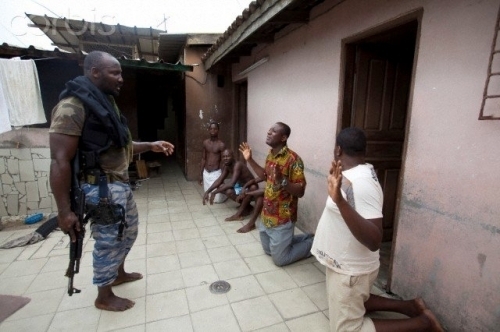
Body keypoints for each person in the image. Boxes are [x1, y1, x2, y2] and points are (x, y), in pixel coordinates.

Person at [49, 51, 175, 312]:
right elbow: (59, 160)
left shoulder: (104, 103)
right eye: (114, 73)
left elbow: (121, 146)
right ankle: (103, 296)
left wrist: (151, 145)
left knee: (128, 232)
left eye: (120, 73)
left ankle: (118, 273)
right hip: (99, 189)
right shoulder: (72, 106)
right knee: (108, 240)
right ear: (94, 71)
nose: (121, 79)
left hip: (118, 185)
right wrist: (64, 211)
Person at [311, 127, 443, 332]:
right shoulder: (349, 176)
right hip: (345, 264)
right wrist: (340, 195)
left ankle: (423, 323)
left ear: (338, 150)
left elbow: (374, 240)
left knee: (346, 329)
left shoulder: (360, 183)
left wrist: (340, 201)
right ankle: (410, 306)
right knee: (357, 298)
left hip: (351, 269)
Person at [239, 122, 314, 266]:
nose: (268, 132)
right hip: (267, 215)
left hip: (282, 218)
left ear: (283, 137)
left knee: (280, 259)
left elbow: (300, 191)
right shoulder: (271, 155)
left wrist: (283, 180)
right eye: (269, 130)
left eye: (273, 131)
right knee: (268, 251)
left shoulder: (294, 160)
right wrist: (249, 159)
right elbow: (266, 176)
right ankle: (304, 238)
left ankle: (313, 243)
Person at [203, 149, 263, 233]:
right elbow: (219, 180)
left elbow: (231, 183)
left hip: (249, 188)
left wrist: (215, 192)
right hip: (241, 188)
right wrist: (208, 191)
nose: (226, 158)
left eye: (228, 156)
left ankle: (238, 214)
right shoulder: (227, 166)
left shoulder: (237, 165)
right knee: (226, 189)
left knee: (252, 187)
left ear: (233, 156)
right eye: (224, 157)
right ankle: (247, 207)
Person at [199, 121, 227, 203]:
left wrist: (222, 177)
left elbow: (224, 162)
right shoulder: (205, 143)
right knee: (209, 197)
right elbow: (203, 158)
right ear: (208, 130)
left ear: (218, 130)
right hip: (206, 173)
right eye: (211, 129)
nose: (213, 131)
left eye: (215, 129)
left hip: (216, 173)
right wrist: (200, 174)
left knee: (217, 200)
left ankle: (225, 194)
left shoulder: (221, 145)